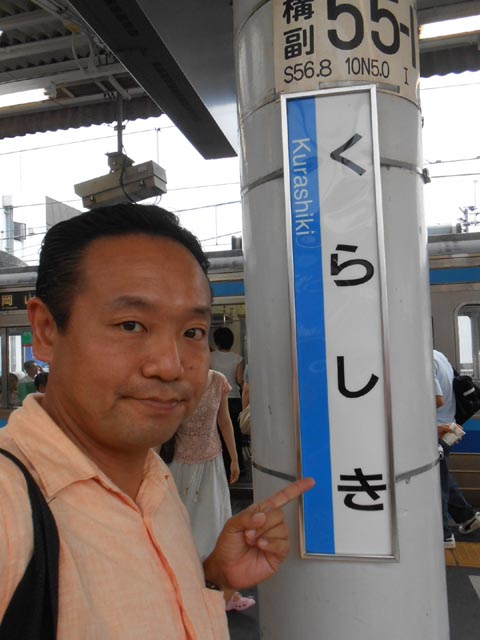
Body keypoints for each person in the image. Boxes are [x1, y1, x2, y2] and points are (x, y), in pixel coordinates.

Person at [0, 203, 314, 639]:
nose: (170, 366)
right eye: (131, 325)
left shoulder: (157, 484)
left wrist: (212, 577)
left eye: (192, 332)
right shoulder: (10, 508)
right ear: (47, 331)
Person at [170, 368, 254, 612]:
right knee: (181, 526)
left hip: (211, 462)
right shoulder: (171, 380)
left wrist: (234, 458)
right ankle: (186, 590)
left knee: (214, 524)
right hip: (178, 464)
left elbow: (224, 420)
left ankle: (221, 592)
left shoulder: (218, 381)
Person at [434, 349, 480, 549]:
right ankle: (466, 516)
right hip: (448, 427)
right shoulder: (439, 356)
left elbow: (437, 399)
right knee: (440, 476)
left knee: (436, 484)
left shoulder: (423, 359)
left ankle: (443, 534)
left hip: (436, 430)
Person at [210, 326, 245, 475]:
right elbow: (239, 380)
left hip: (215, 398)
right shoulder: (237, 358)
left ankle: (221, 466)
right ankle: (238, 465)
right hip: (234, 399)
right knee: (235, 433)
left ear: (216, 341)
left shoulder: (210, 357)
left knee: (216, 433)